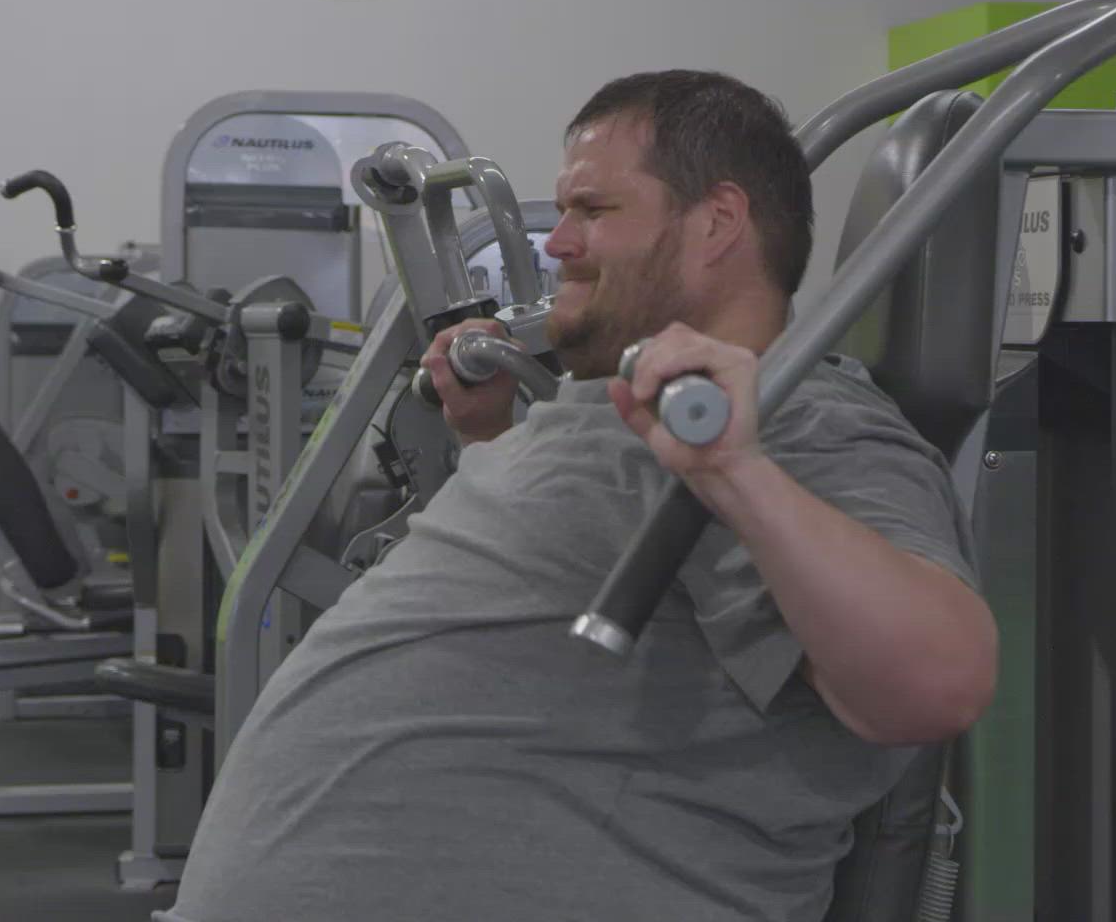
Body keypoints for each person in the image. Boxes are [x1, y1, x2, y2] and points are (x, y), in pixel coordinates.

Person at [158, 70, 998, 922]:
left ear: (718, 222)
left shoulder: (801, 421)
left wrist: (737, 470)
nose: (557, 242)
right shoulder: (635, 406)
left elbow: (936, 685)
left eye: (592, 212)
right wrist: (485, 440)